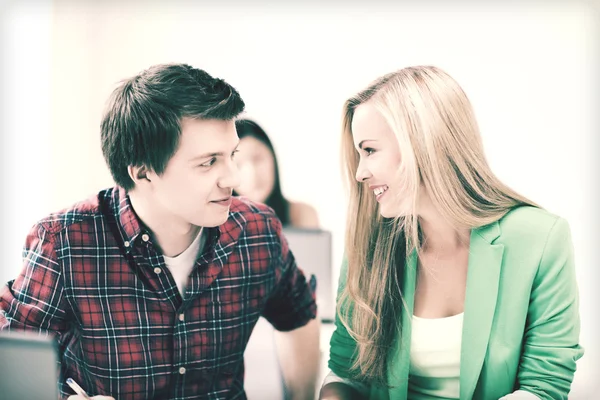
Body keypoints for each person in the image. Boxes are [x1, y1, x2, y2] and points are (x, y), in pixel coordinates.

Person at [0, 63, 321, 400]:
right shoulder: (63, 243)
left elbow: (299, 313)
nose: (234, 179)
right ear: (143, 173)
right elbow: (11, 367)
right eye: (209, 161)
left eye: (232, 155)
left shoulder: (257, 229)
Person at [320, 66, 583, 400]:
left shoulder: (541, 239)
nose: (360, 172)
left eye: (369, 150)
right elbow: (345, 372)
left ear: (423, 144)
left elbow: (544, 387)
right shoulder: (371, 241)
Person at [233, 118, 319, 228]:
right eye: (238, 165)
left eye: (257, 158)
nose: (252, 174)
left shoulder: (301, 215)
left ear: (272, 156)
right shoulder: (215, 227)